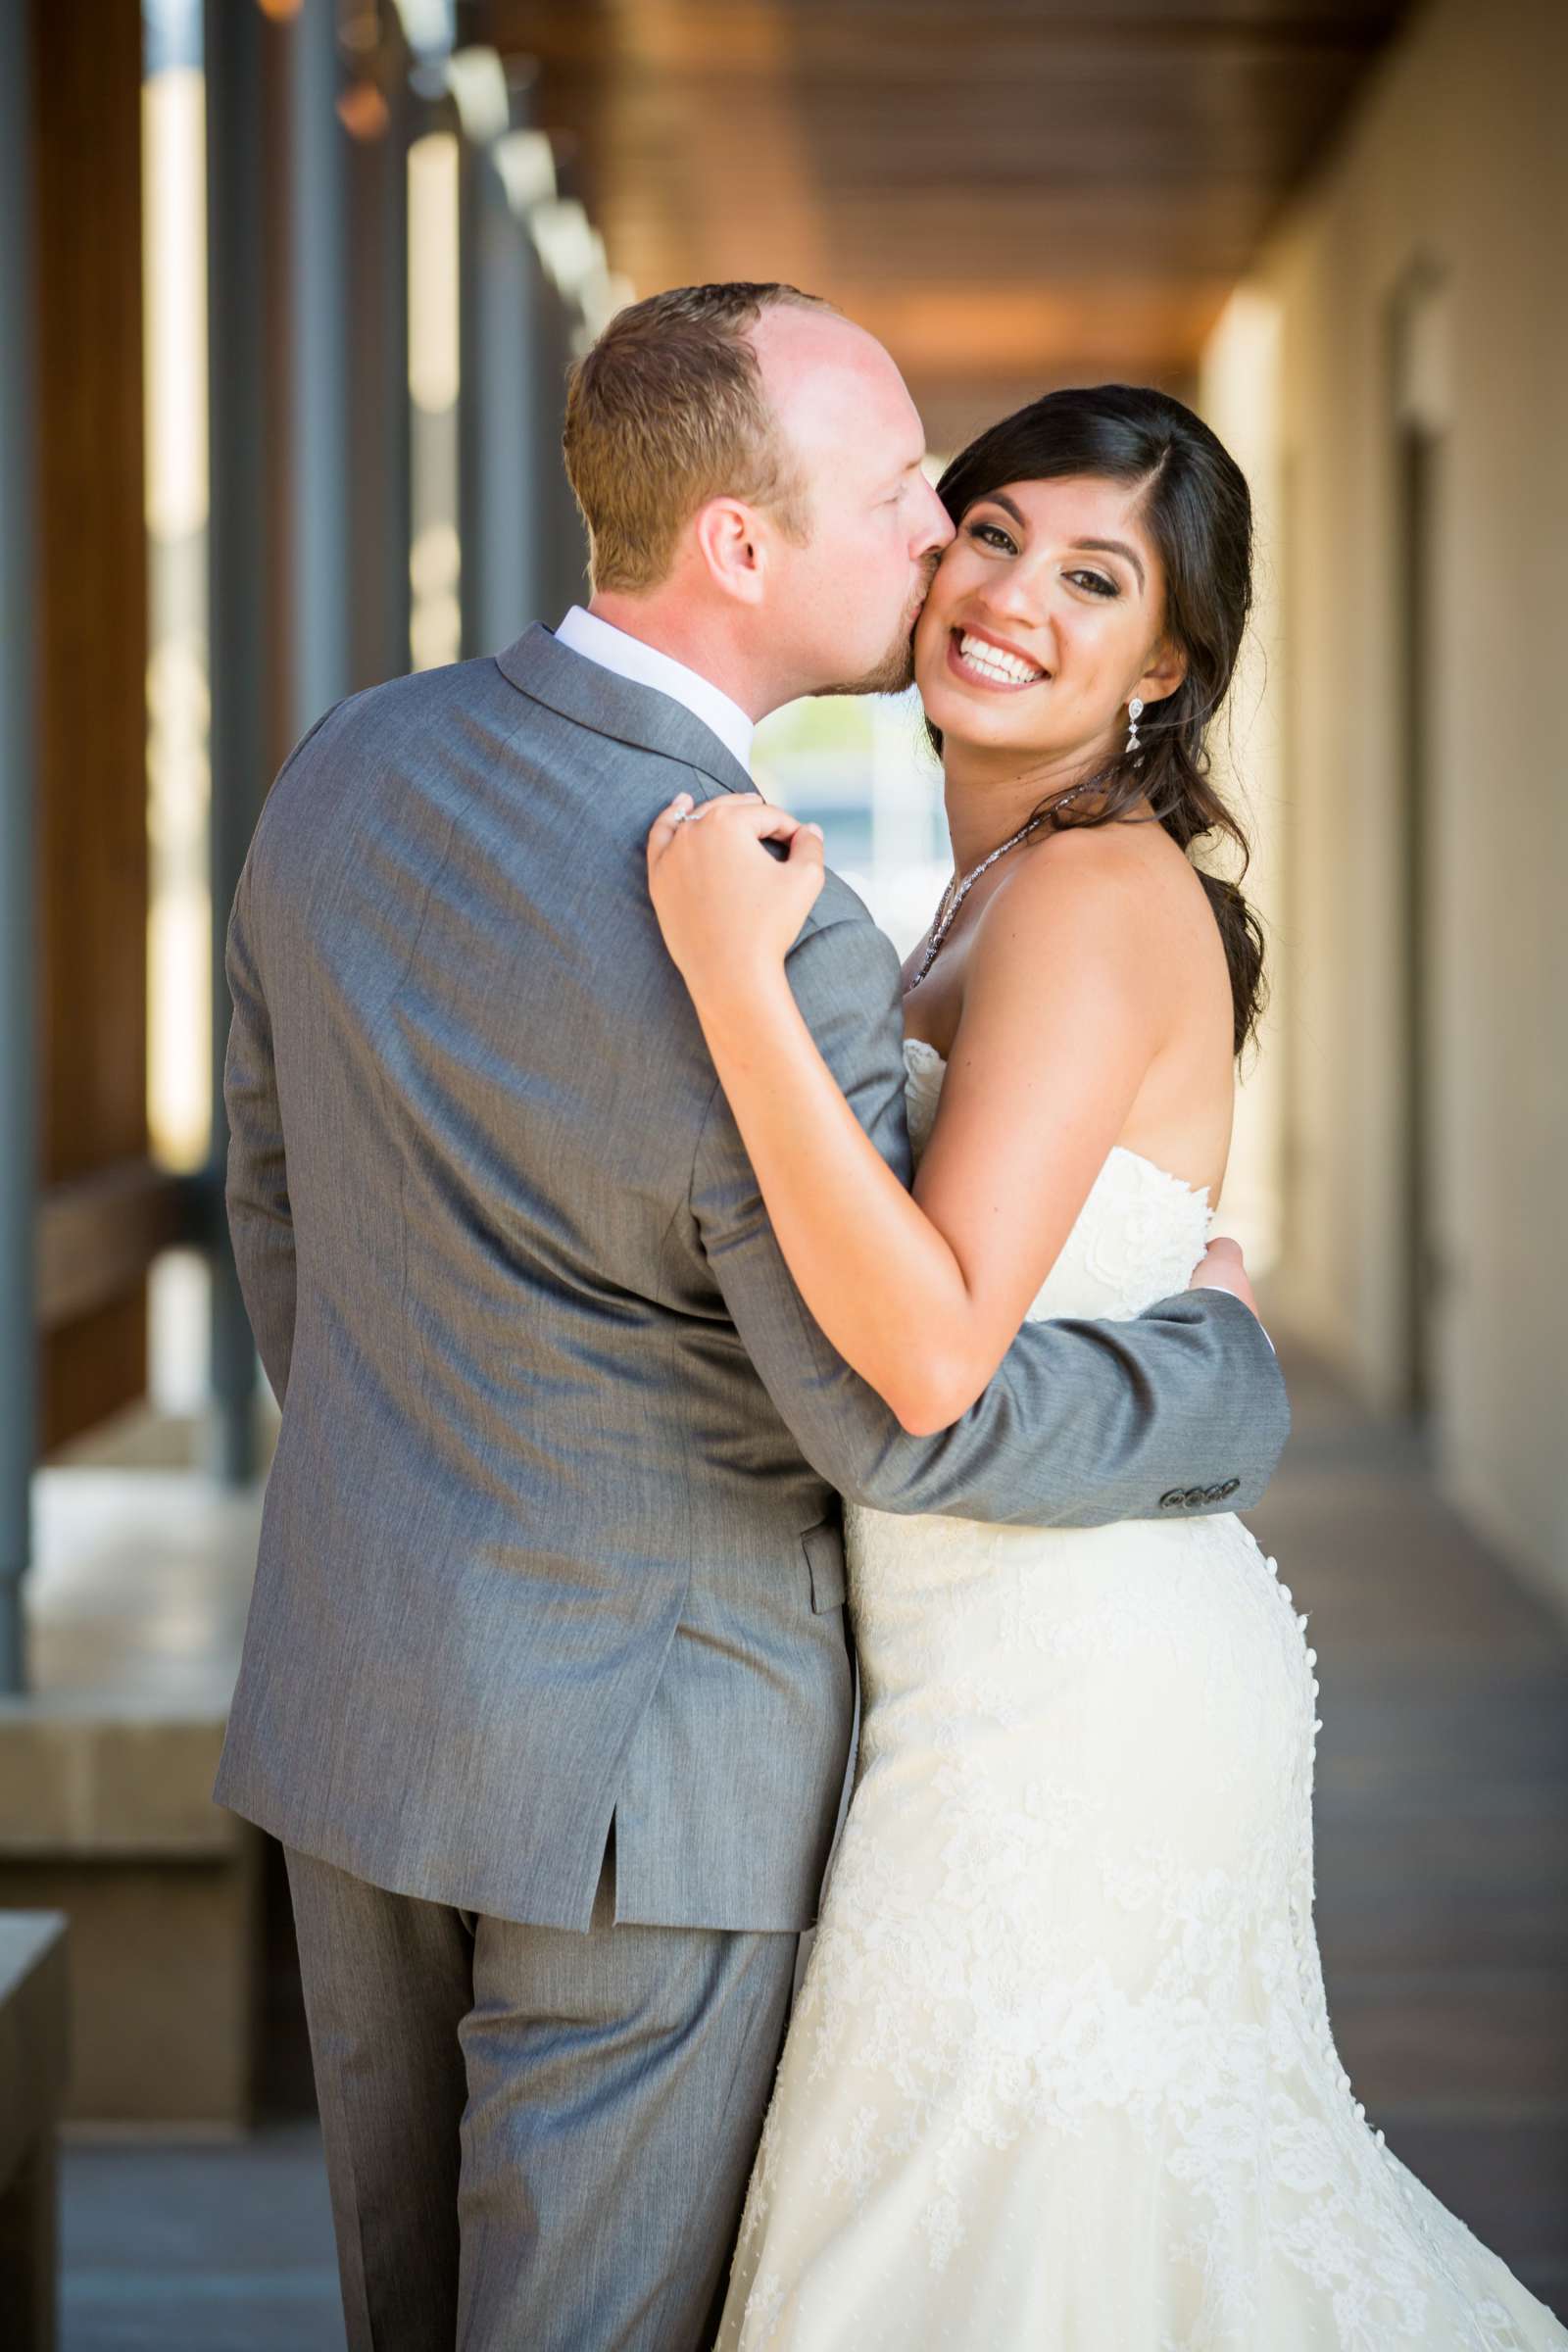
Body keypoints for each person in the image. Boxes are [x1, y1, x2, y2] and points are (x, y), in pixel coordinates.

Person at [214, 286, 1288, 2352]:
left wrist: (420, 1476)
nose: (936, 549)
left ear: (1160, 661)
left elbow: (281, 1210)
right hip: (655, 1762)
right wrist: (1211, 1378)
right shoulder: (772, 919)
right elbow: (898, 1413)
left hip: (363, 1688)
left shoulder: (351, 762)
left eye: (1051, 558)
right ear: (737, 542)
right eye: (921, 501)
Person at [647, 382, 1567, 2349]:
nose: (1009, 598)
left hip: (1064, 1714)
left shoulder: (1079, 891)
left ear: (1162, 665)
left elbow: (923, 1343)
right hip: (984, 1672)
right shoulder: (1000, 882)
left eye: (1091, 577)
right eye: (985, 532)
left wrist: (729, 979)